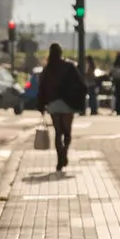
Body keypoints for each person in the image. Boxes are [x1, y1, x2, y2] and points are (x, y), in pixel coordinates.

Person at [36, 43, 86, 172]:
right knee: (67, 132)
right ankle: (65, 152)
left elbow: (42, 88)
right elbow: (80, 84)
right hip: (68, 103)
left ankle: (59, 159)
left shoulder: (48, 69)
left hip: (53, 103)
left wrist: (41, 105)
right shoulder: (69, 67)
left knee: (58, 132)